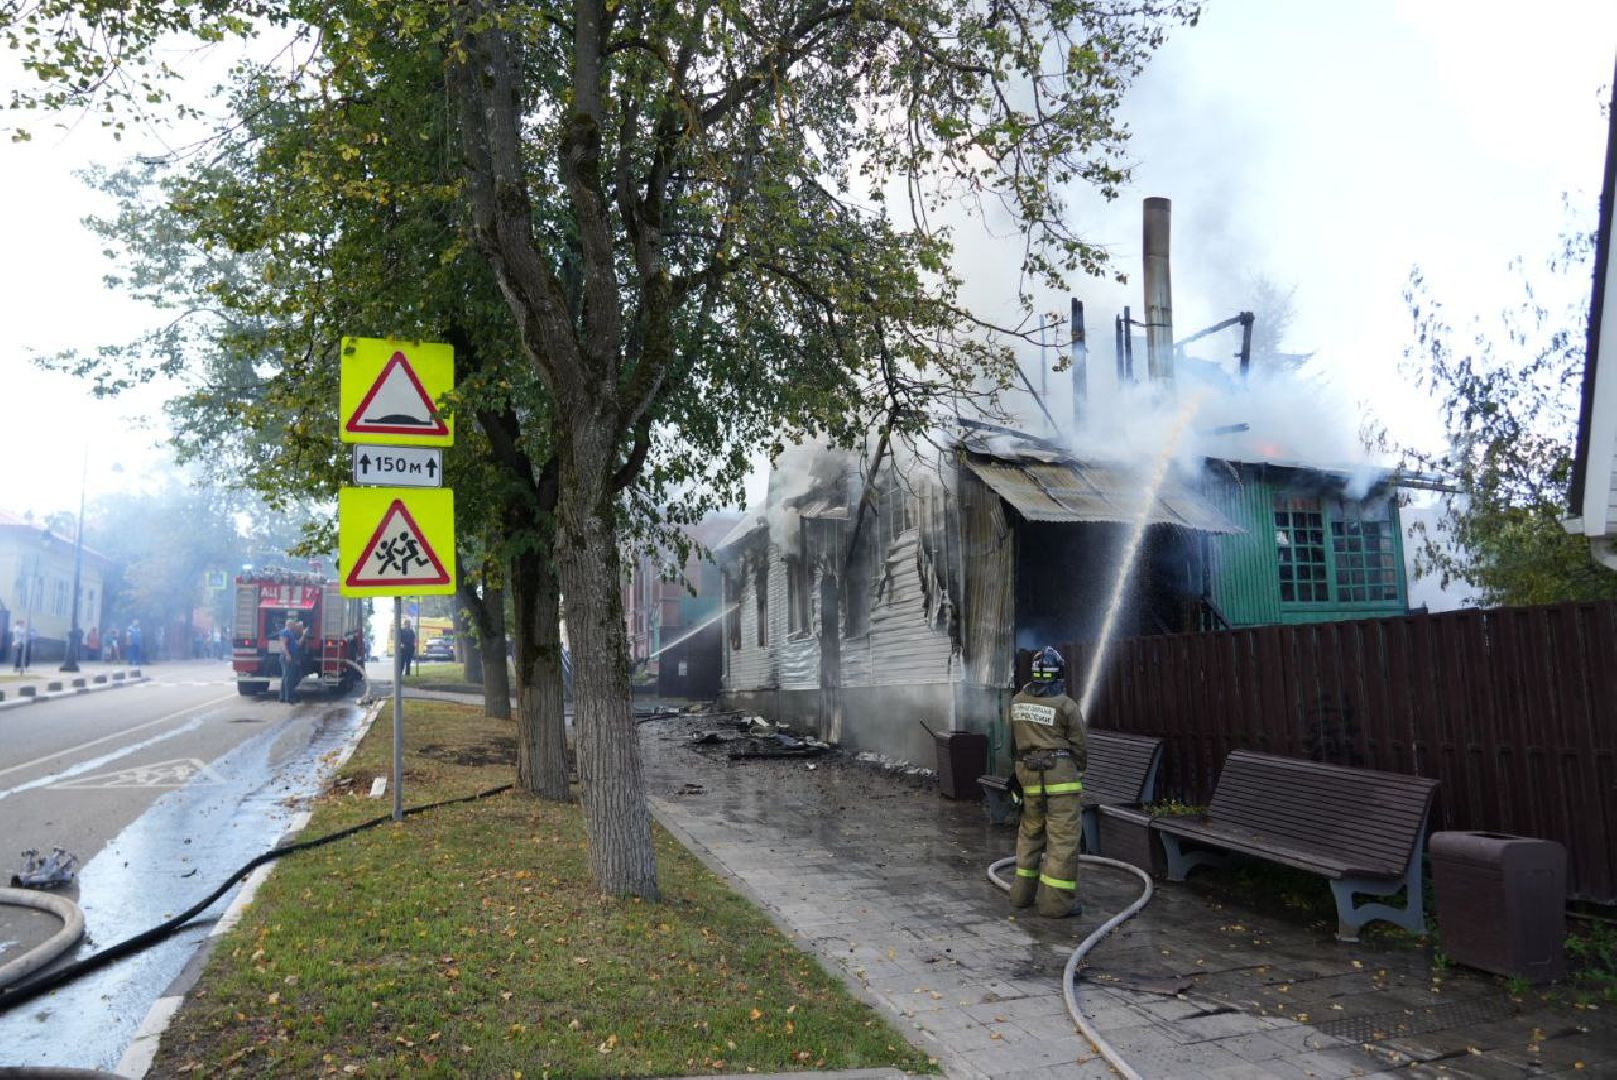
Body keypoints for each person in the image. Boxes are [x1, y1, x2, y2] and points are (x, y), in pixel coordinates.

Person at [1008, 646, 1088, 919]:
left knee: (1030, 834)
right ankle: (1056, 905)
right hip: (1061, 780)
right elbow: (1079, 746)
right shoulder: (1066, 706)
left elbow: (1014, 741)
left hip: (1028, 778)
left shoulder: (1018, 701)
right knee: (1062, 840)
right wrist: (1079, 771)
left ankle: (1021, 896)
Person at [278, 614, 306, 703]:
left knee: (287, 677)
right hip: (287, 656)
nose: (295, 626)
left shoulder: (291, 634)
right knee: (288, 677)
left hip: (291, 656)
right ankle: (288, 697)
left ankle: (283, 697)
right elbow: (283, 644)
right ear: (289, 625)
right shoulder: (285, 632)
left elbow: (297, 644)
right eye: (293, 625)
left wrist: (303, 635)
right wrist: (287, 655)